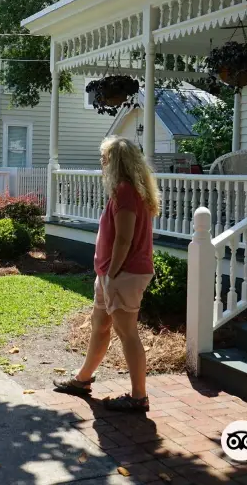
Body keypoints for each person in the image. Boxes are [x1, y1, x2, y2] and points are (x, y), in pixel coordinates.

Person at [53, 136, 159, 412]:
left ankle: (139, 397)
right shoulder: (130, 190)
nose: (101, 163)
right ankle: (82, 380)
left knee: (127, 333)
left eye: (104, 158)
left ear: (115, 162)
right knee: (100, 324)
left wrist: (111, 274)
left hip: (123, 274)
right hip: (113, 274)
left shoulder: (125, 191)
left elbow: (124, 239)